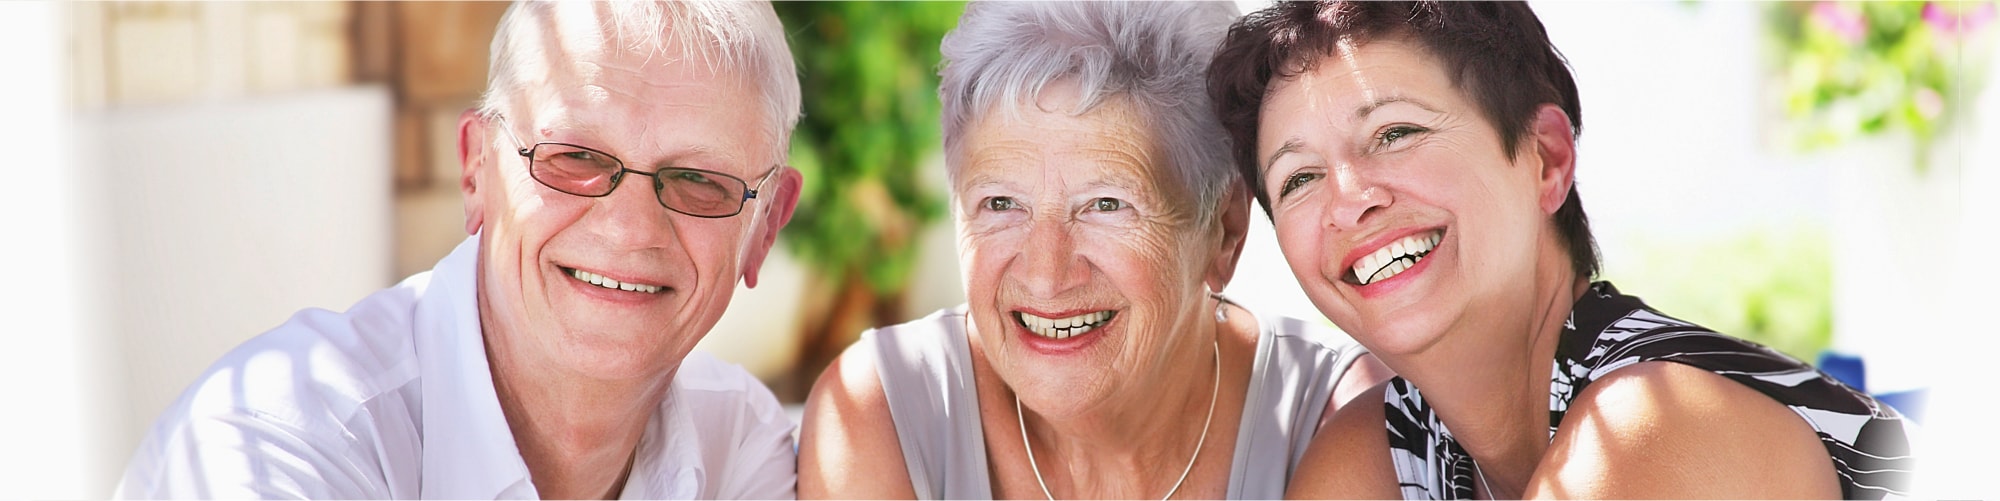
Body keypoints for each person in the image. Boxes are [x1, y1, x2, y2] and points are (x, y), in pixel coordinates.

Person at [1207, 1, 1916, 499]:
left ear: (1546, 159)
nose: (1348, 199)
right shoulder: (1386, 446)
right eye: (1299, 177)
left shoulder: (1652, 421)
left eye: (1395, 133)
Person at [115, 2, 804, 498]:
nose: (629, 228)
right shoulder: (282, 440)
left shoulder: (739, 441)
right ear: (476, 169)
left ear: (766, 225)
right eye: (574, 157)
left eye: (698, 181)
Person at [797, 2, 1391, 499]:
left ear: (1225, 230)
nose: (1046, 274)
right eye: (1002, 204)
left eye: (1106, 205)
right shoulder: (879, 419)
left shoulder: (1344, 424)